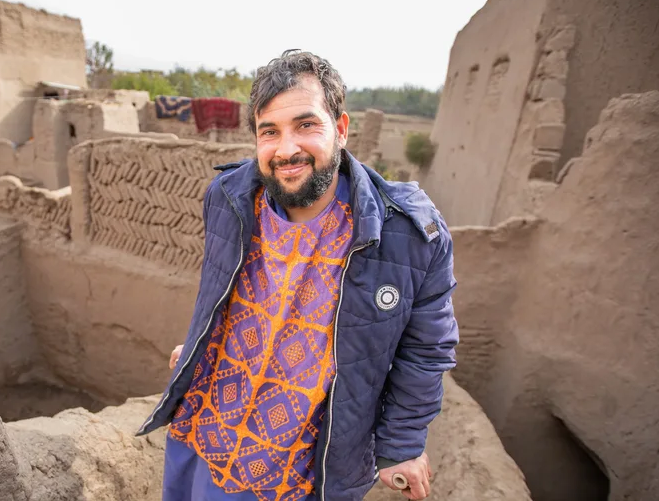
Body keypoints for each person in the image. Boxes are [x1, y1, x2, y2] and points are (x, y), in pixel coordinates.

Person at [136, 50, 459, 501]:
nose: (286, 149)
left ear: (341, 129)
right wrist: (198, 347)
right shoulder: (228, 197)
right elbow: (219, 292)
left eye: (306, 125)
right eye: (270, 132)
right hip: (200, 432)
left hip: (292, 468)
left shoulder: (408, 234)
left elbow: (427, 349)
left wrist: (402, 444)